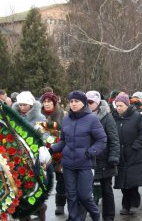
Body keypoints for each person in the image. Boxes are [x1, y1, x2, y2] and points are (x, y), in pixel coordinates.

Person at [50, 90, 107, 221]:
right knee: (71, 196)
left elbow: (102, 140)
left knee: (85, 197)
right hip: (68, 164)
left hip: (85, 164)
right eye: (71, 101)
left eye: (77, 101)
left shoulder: (92, 119)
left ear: (84, 103)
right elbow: (63, 141)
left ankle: (96, 216)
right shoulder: (66, 119)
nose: (73, 104)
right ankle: (74, 218)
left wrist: (90, 152)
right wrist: (51, 150)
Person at [12, 91, 48, 221]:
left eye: (25, 105)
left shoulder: (40, 118)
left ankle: (40, 209)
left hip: (34, 159)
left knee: (34, 187)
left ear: (31, 105)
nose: (22, 107)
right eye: (20, 104)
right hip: (16, 159)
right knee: (19, 189)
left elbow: (44, 137)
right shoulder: (13, 117)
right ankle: (24, 216)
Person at [113, 93, 142, 215]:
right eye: (117, 105)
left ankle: (134, 204)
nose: (118, 108)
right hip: (120, 155)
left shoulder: (137, 117)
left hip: (134, 154)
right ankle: (125, 205)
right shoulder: (114, 118)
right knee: (123, 183)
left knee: (133, 182)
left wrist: (135, 146)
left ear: (127, 105)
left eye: (121, 105)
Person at [86, 90, 120, 221]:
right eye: (86, 102)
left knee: (106, 189)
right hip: (88, 158)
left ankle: (109, 216)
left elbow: (114, 139)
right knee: (87, 190)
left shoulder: (107, 117)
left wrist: (114, 157)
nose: (88, 105)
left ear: (98, 102)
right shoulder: (82, 116)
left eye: (91, 102)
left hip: (105, 159)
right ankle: (91, 214)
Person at [40, 92, 66, 215]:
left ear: (54, 103)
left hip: (59, 150)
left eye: (49, 101)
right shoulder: (40, 115)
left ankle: (60, 204)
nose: (47, 104)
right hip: (41, 150)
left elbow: (65, 132)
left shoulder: (63, 114)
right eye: (44, 102)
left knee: (61, 178)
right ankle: (39, 205)